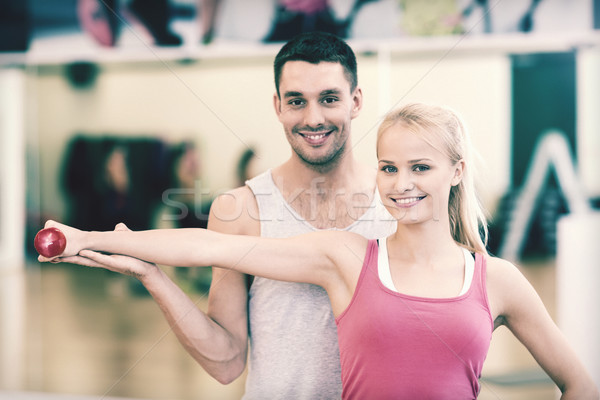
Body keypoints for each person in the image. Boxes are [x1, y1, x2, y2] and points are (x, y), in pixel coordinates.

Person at [41, 102, 599, 399]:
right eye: (388, 167)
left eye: (420, 167)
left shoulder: (496, 280)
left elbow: (579, 384)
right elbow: (213, 245)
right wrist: (93, 239)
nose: (401, 183)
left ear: (456, 172)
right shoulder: (346, 257)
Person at [52, 32, 396, 399]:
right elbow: (227, 362)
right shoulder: (241, 211)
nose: (313, 118)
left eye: (329, 99)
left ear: (355, 101)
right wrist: (151, 275)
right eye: (297, 101)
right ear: (278, 106)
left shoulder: (399, 203)